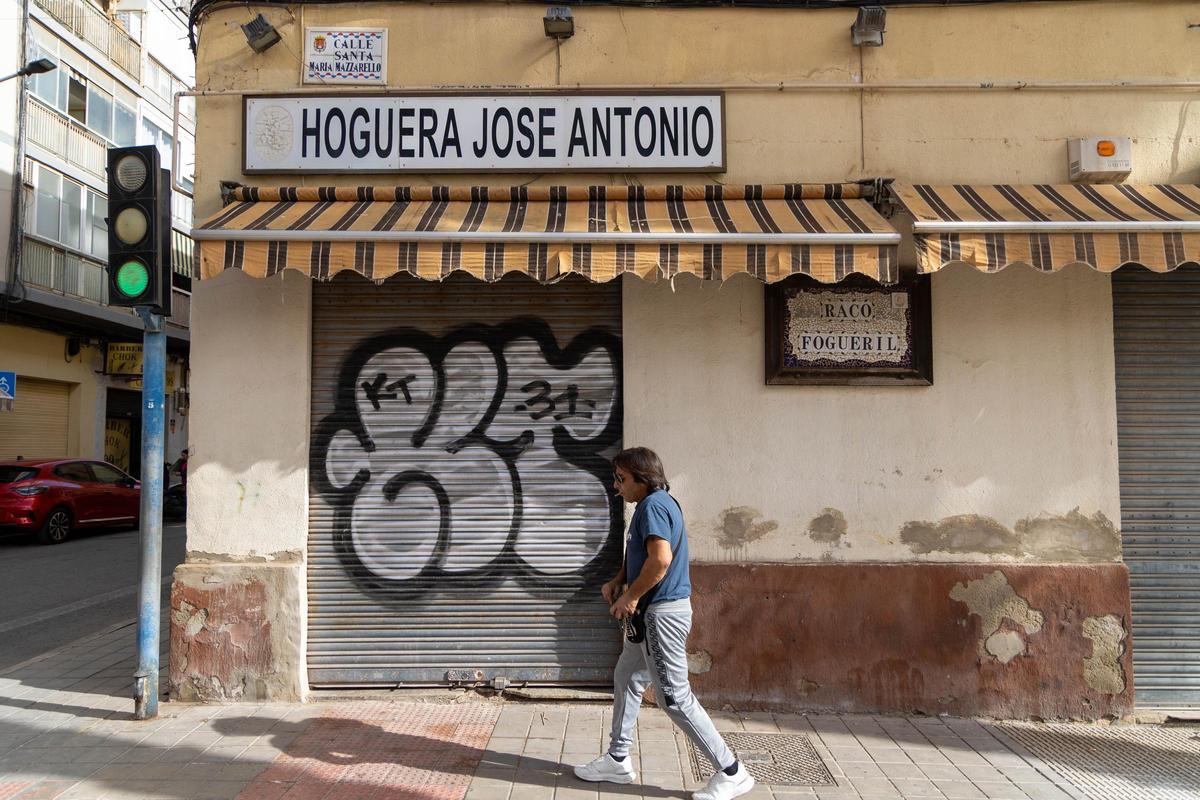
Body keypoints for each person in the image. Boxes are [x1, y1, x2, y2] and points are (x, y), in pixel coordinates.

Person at [574, 447, 754, 800]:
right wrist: (619, 579)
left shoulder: (654, 505)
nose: (615, 486)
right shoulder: (649, 506)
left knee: (673, 697)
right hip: (650, 613)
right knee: (627, 676)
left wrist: (631, 597)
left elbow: (660, 561)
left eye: (621, 479)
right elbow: (641, 554)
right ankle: (617, 759)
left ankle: (731, 771)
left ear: (643, 478)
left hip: (661, 614)